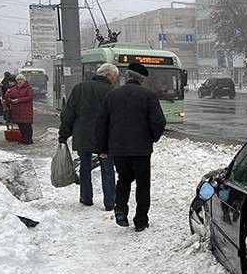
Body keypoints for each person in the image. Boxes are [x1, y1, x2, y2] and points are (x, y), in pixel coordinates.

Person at [95, 63, 166, 232]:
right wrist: (151, 138)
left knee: (123, 179)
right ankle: (141, 220)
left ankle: (120, 210)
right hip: (141, 150)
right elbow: (159, 122)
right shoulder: (148, 96)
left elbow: (101, 123)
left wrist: (103, 148)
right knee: (143, 184)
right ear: (142, 79)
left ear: (126, 76)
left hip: (118, 148)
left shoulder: (112, 95)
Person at [59, 63, 118, 210]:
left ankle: (86, 197)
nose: (116, 80)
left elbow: (68, 114)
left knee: (85, 167)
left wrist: (63, 134)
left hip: (83, 135)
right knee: (107, 169)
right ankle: (110, 202)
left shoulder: (79, 89)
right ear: (109, 75)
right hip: (104, 138)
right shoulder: (111, 91)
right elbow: (116, 118)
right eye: (115, 77)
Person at [5, 74, 34, 144]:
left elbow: (29, 97)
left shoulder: (28, 88)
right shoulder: (13, 89)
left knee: (27, 126)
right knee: (20, 126)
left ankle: (29, 139)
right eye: (18, 80)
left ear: (24, 80)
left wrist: (18, 100)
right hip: (17, 111)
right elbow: (8, 97)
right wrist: (10, 100)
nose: (19, 81)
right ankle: (23, 138)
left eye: (21, 80)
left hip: (26, 111)